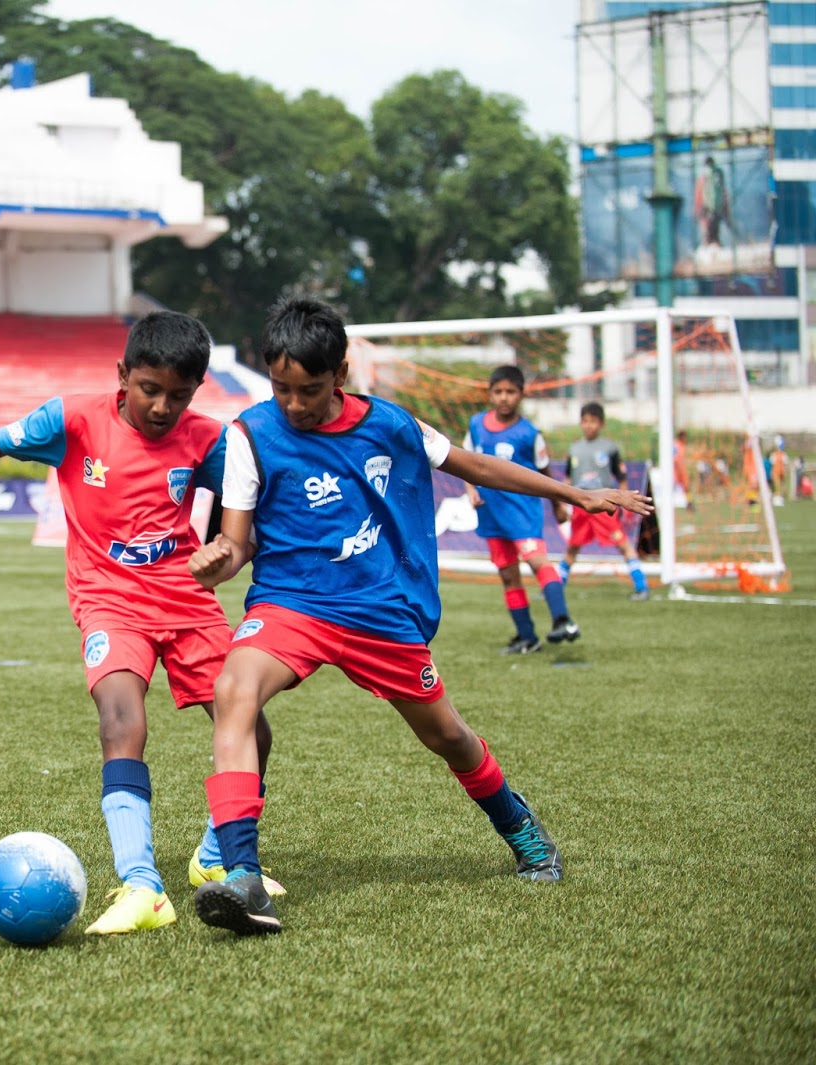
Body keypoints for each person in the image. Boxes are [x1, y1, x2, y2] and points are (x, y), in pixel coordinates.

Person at [185, 297, 654, 935]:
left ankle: (521, 827)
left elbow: (478, 465)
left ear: (341, 375)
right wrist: (222, 557)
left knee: (448, 737)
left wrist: (574, 492)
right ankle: (242, 876)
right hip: (292, 602)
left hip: (381, 610)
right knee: (234, 689)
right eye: (282, 388)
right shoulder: (250, 434)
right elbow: (237, 543)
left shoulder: (392, 425)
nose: (293, 404)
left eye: (310, 390)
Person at [0, 310, 283, 936]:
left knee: (253, 730)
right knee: (121, 721)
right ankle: (142, 886)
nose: (162, 407)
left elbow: (246, 512)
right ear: (122, 375)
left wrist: (225, 547)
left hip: (187, 600)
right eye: (149, 389)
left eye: (179, 395)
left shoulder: (209, 439)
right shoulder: (73, 418)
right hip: (108, 599)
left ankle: (214, 860)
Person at [463, 366, 577, 653]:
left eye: (510, 392)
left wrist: (558, 506)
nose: (504, 398)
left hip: (522, 511)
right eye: (498, 391)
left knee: (537, 560)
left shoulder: (529, 433)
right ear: (489, 394)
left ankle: (562, 619)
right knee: (507, 575)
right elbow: (466, 462)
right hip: (490, 512)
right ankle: (527, 636)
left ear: (521, 395)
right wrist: (471, 488)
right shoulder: (476, 424)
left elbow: (545, 472)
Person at [557, 402, 649, 600]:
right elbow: (567, 479)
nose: (589, 425)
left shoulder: (609, 448)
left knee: (622, 543)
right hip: (580, 505)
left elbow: (621, 477)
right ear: (581, 423)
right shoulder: (574, 448)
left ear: (601, 424)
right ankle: (556, 588)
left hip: (603, 505)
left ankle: (641, 586)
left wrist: (626, 502)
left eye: (593, 421)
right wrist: (563, 504)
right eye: (585, 421)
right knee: (573, 546)